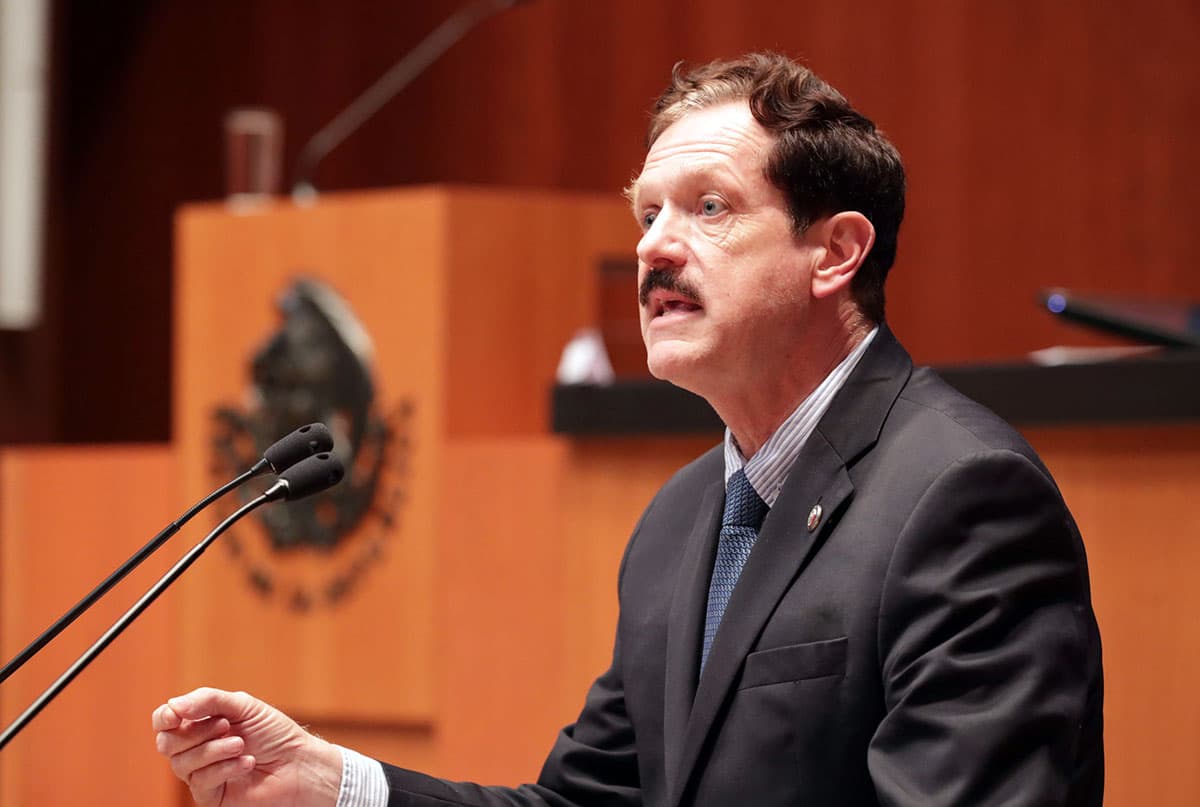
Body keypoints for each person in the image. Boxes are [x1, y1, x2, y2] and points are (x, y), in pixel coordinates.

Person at [153, 53, 1104, 806]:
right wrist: (337, 785)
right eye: (648, 213)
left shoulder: (962, 496)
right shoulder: (680, 520)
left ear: (835, 251)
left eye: (709, 207)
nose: (653, 245)